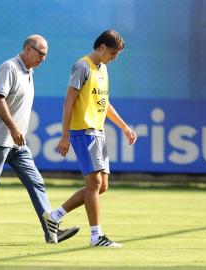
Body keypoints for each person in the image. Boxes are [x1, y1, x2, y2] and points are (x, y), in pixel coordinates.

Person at [0, 34, 79, 244]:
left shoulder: (28, 72)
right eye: (41, 53)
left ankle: (52, 232)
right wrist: (13, 128)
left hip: (17, 143)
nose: (43, 58)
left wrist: (16, 132)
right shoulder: (9, 67)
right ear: (28, 49)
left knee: (36, 182)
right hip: (1, 139)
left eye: (46, 55)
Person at [42, 30, 137, 248]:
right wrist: (65, 135)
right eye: (112, 53)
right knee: (94, 183)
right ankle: (97, 236)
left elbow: (104, 102)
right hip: (83, 131)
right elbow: (69, 102)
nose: (114, 58)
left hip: (98, 131)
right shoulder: (82, 66)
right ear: (102, 47)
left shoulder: (102, 69)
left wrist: (123, 126)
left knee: (102, 186)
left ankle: (54, 217)